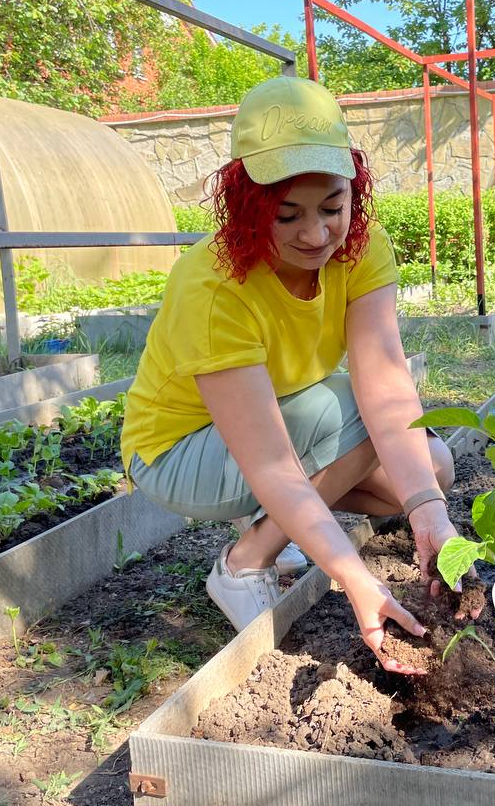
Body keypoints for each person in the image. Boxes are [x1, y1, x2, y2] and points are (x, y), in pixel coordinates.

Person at [120, 75, 465, 674]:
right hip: (179, 453)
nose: (315, 234)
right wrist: (354, 578)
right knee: (362, 413)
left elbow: (385, 377)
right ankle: (245, 563)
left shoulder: (361, 250)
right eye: (287, 216)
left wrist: (427, 510)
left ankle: (279, 530)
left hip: (272, 423)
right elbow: (274, 465)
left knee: (432, 469)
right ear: (248, 205)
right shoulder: (211, 287)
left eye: (333, 207)